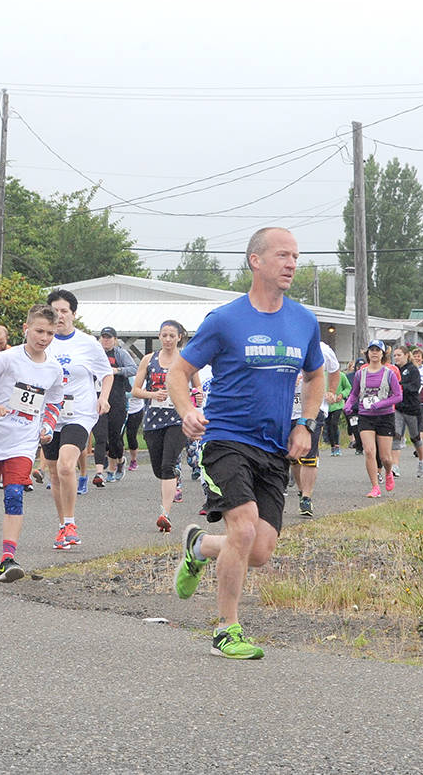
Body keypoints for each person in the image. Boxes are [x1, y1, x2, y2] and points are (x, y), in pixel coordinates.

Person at [167, 227, 324, 660]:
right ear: (256, 261)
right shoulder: (225, 321)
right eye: (283, 255)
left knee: (258, 551)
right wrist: (187, 412)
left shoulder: (304, 320)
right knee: (244, 526)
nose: (292, 263)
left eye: (296, 256)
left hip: (274, 447)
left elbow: (315, 376)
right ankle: (226, 630)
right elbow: (178, 373)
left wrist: (305, 423)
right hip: (226, 440)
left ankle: (200, 546)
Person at [0, 305, 65, 581]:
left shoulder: (54, 369)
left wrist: (47, 426)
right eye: (39, 331)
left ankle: (7, 560)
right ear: (26, 329)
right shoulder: (6, 359)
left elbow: (55, 401)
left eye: (49, 332)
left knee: (14, 493)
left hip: (24, 439)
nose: (43, 337)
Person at [42, 289, 113, 551]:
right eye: (54, 311)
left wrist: (103, 398)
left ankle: (71, 522)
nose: (59, 316)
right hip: (50, 413)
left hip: (80, 413)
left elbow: (106, 374)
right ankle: (63, 526)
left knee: (65, 466)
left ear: (73, 314)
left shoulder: (88, 343)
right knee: (53, 471)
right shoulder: (42, 341)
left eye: (64, 311)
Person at [131, 320, 191, 532]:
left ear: (179, 337)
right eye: (164, 335)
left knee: (167, 465)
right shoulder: (149, 360)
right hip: (153, 419)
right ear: (159, 337)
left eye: (171, 336)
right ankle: (174, 476)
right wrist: (153, 394)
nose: (167, 339)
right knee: (159, 469)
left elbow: (198, 388)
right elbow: (135, 390)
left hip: (177, 418)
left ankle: (164, 513)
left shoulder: (186, 360)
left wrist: (197, 397)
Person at [343, 340, 401, 498]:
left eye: (378, 350)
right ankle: (375, 487)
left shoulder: (389, 373)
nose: (374, 353)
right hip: (366, 416)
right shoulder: (360, 373)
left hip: (385, 417)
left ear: (383, 354)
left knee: (385, 457)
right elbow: (355, 393)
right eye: (372, 350)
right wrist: (348, 404)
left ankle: (388, 472)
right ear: (367, 353)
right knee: (369, 451)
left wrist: (381, 404)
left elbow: (398, 396)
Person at [290, 340, 340, 517]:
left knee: (309, 452)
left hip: (313, 408)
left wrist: (332, 391)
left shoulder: (323, 349)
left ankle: (306, 497)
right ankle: (301, 488)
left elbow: (334, 370)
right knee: (293, 455)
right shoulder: (283, 343)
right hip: (288, 409)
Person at [91, 327, 136, 486]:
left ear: (115, 339)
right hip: (98, 399)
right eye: (103, 337)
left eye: (109, 337)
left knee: (115, 436)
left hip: (117, 399)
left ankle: (120, 460)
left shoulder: (120, 353)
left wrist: (116, 370)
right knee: (101, 436)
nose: (106, 340)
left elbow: (133, 369)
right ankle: (101, 473)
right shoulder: (95, 354)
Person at [391, 345, 423, 479]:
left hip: (411, 408)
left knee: (415, 438)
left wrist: (399, 386)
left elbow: (414, 386)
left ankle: (421, 460)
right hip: (398, 408)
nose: (396, 357)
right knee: (396, 435)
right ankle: (395, 466)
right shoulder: (394, 370)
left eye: (399, 355)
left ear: (406, 355)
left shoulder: (412, 369)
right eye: (394, 355)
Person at [324, 356, 351, 456]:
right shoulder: (323, 375)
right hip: (326, 405)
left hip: (338, 405)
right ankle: (332, 446)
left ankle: (337, 446)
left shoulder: (341, 375)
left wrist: (342, 395)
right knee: (328, 426)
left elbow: (348, 388)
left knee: (334, 424)